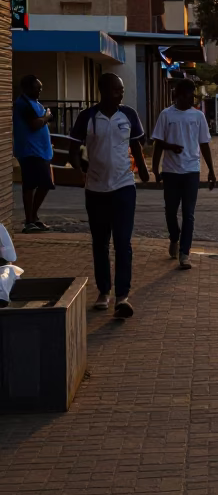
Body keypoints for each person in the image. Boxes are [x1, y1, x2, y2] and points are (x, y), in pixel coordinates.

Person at [68, 73, 149, 318]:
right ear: (103, 91)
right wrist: (77, 165)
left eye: (122, 90)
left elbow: (136, 145)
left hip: (124, 187)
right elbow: (73, 147)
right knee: (100, 244)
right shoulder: (87, 117)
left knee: (123, 243)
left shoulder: (129, 115)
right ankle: (104, 291)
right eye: (116, 90)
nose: (120, 94)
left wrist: (144, 171)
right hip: (96, 190)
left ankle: (122, 297)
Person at [151, 79, 216, 270]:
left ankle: (184, 253)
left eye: (192, 96)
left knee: (189, 214)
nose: (191, 99)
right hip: (171, 171)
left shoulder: (198, 116)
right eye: (188, 96)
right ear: (178, 96)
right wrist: (155, 169)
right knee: (171, 211)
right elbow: (158, 143)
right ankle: (174, 237)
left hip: (191, 170)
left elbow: (204, 144)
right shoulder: (166, 115)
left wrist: (211, 170)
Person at [14, 75, 56, 232]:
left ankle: (33, 217)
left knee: (45, 184)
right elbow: (35, 124)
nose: (40, 90)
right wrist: (47, 116)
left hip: (42, 151)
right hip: (30, 151)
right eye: (37, 88)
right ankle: (29, 220)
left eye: (40, 88)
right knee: (34, 184)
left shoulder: (34, 103)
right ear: (27, 88)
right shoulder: (23, 104)